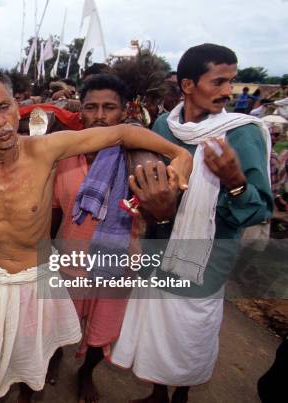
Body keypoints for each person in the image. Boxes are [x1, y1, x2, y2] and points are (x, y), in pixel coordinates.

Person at [0, 67, 193, 402]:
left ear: (16, 106)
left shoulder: (45, 149)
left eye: (5, 106)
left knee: (33, 365)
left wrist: (180, 155)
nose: (1, 121)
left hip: (34, 280)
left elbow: (123, 134)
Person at [110, 43, 273, 403]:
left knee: (190, 333)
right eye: (218, 82)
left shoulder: (241, 133)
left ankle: (181, 395)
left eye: (231, 82)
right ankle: (156, 394)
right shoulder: (164, 128)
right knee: (157, 329)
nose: (228, 91)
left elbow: (259, 209)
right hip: (160, 246)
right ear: (187, 85)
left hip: (206, 261)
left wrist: (235, 182)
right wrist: (148, 204)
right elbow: (146, 184)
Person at [51, 73, 179, 403]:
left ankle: (85, 373)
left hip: (117, 265)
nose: (100, 116)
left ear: (124, 112)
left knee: (100, 330)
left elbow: (157, 215)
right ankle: (52, 357)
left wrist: (161, 208)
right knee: (55, 325)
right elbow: (52, 213)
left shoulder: (140, 160)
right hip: (69, 262)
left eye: (109, 107)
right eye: (91, 107)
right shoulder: (63, 156)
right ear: (81, 112)